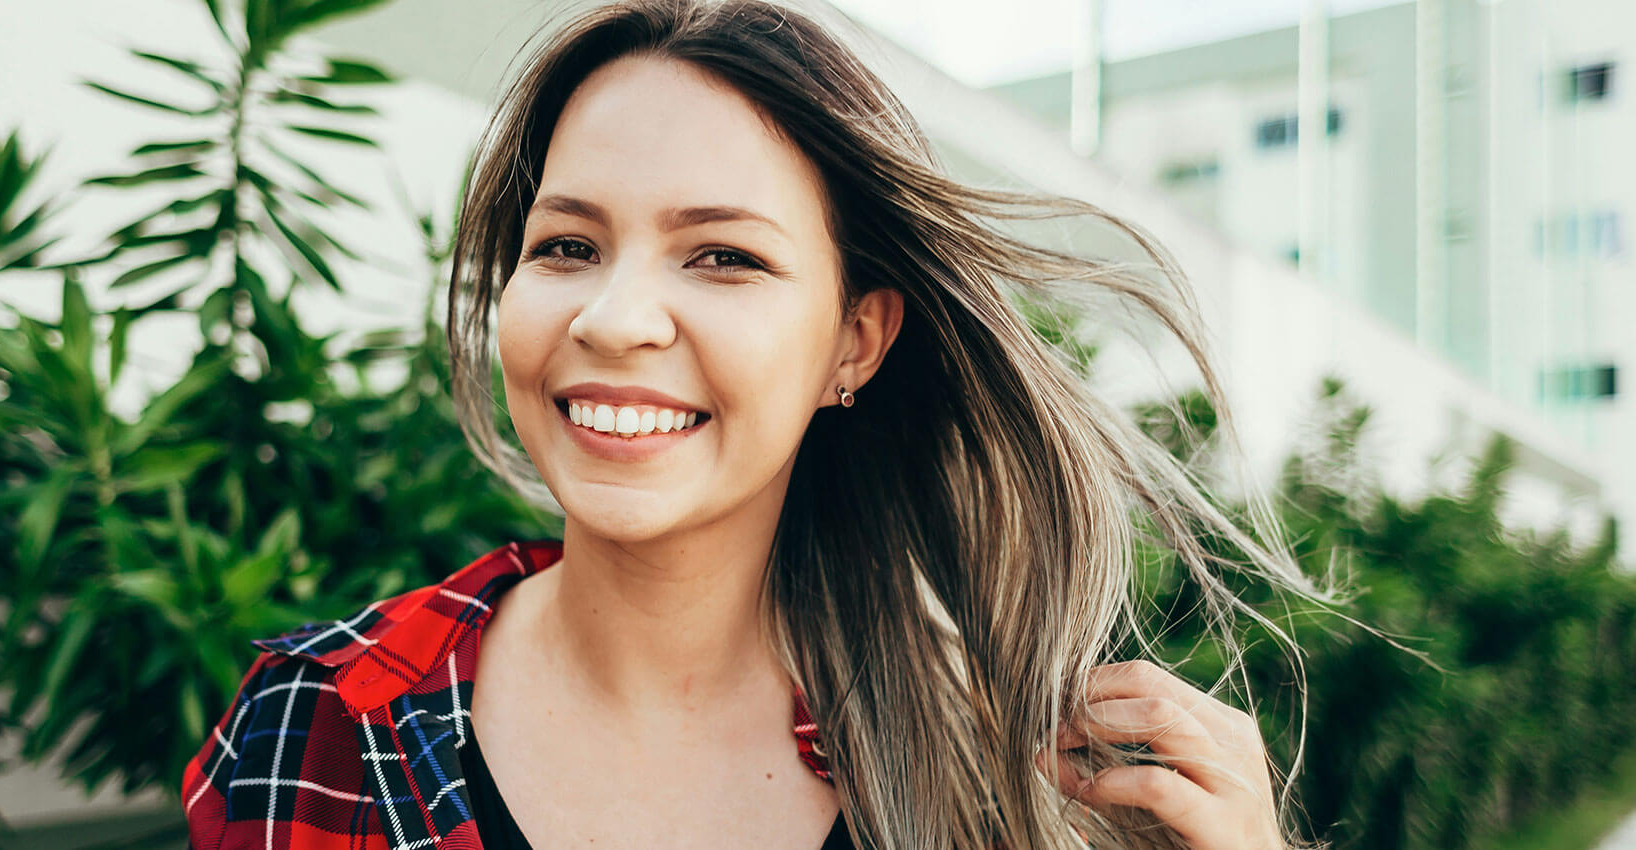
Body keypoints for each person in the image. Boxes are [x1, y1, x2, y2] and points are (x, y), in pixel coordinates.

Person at [183, 1, 1342, 848]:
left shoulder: (1011, 777)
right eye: (567, 246)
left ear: (857, 342)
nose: (616, 316)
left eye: (724, 256)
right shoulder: (320, 723)